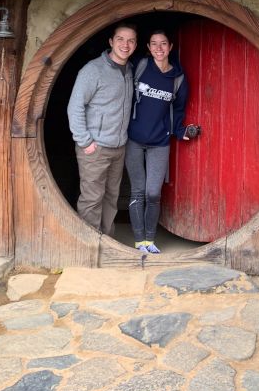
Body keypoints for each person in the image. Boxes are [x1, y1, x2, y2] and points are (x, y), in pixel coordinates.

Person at [67, 23, 137, 236]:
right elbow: (75, 106)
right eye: (120, 39)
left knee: (110, 197)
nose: (125, 45)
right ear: (111, 42)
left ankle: (106, 241)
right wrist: (85, 141)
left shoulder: (130, 70)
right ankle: (89, 248)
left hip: (118, 147)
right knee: (91, 198)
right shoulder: (93, 70)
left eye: (131, 40)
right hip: (95, 147)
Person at [125, 30, 189, 253]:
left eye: (163, 44)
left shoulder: (177, 77)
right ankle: (139, 241)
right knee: (138, 192)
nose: (159, 48)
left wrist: (180, 131)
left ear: (170, 46)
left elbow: (178, 109)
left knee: (153, 193)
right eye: (154, 44)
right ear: (148, 47)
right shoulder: (140, 67)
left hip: (160, 141)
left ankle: (150, 241)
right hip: (133, 139)